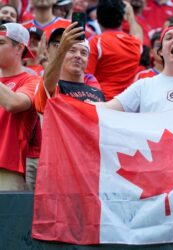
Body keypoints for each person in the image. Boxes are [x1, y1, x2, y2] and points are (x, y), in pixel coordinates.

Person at [0, 23, 41, 190]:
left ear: (19, 48)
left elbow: (14, 103)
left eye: (1, 43)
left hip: (7, 168)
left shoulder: (32, 80)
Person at [35, 23, 105, 114]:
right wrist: (62, 49)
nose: (78, 56)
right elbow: (47, 85)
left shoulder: (98, 93)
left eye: (83, 53)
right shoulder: (54, 86)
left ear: (88, 60)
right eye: (72, 50)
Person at [86, 0, 142, 100]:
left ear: (97, 19)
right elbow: (138, 34)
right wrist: (131, 17)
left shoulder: (96, 42)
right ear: (122, 18)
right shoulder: (135, 44)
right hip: (127, 105)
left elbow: (85, 77)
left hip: (102, 103)